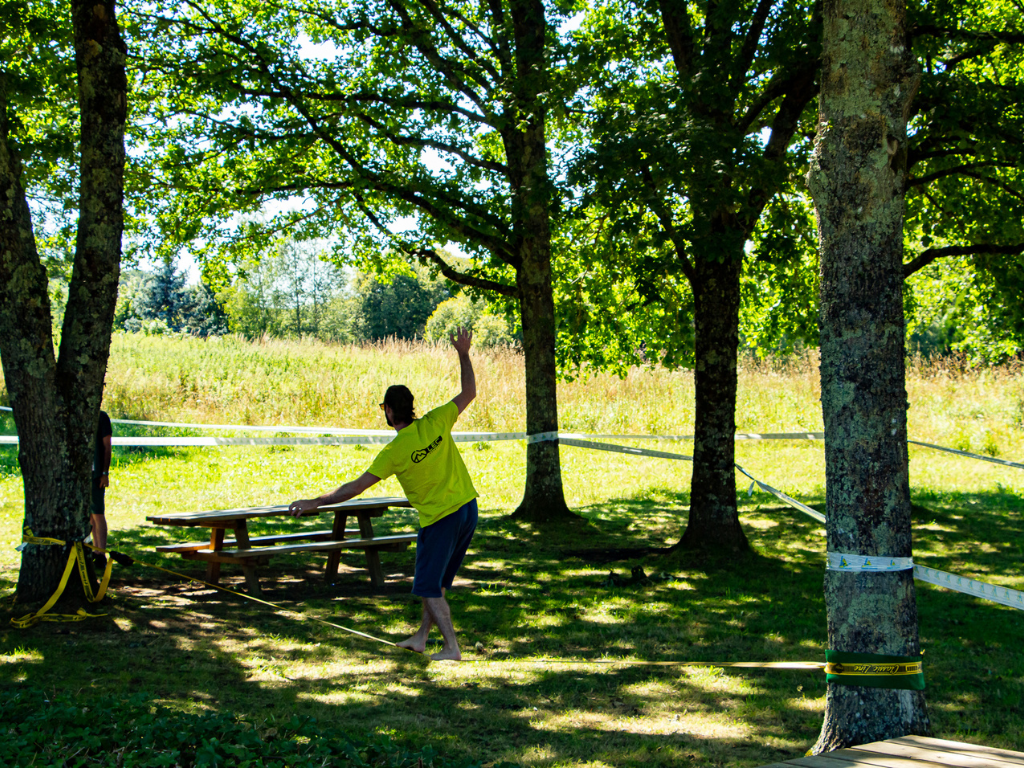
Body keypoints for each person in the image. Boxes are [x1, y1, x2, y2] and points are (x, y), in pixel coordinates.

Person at [289, 328, 478, 661]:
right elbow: (469, 391)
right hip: (467, 509)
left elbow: (355, 488)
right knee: (437, 582)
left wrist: (315, 502)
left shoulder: (394, 451)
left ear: (390, 411)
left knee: (428, 586)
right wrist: (463, 353)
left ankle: (451, 647)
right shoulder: (436, 421)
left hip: (441, 518)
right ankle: (421, 637)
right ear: (412, 407)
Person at [91, 409, 113, 567]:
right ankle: (95, 549)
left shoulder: (101, 417)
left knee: (98, 513)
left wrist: (104, 472)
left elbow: (107, 446)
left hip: (96, 473)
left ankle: (101, 552)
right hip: (80, 474)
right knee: (89, 514)